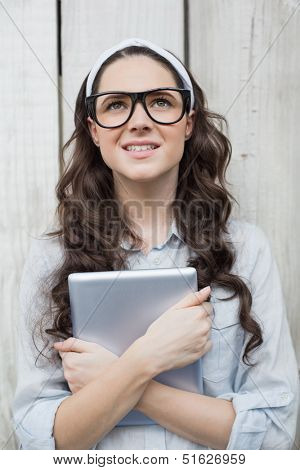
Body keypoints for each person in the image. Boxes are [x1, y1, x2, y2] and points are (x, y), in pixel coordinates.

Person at [12, 37, 299, 450]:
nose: (139, 121)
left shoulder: (248, 249)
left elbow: (275, 436)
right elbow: (41, 443)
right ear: (94, 131)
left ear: (189, 122)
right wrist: (147, 358)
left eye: (161, 102)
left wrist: (122, 377)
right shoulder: (51, 258)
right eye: (115, 105)